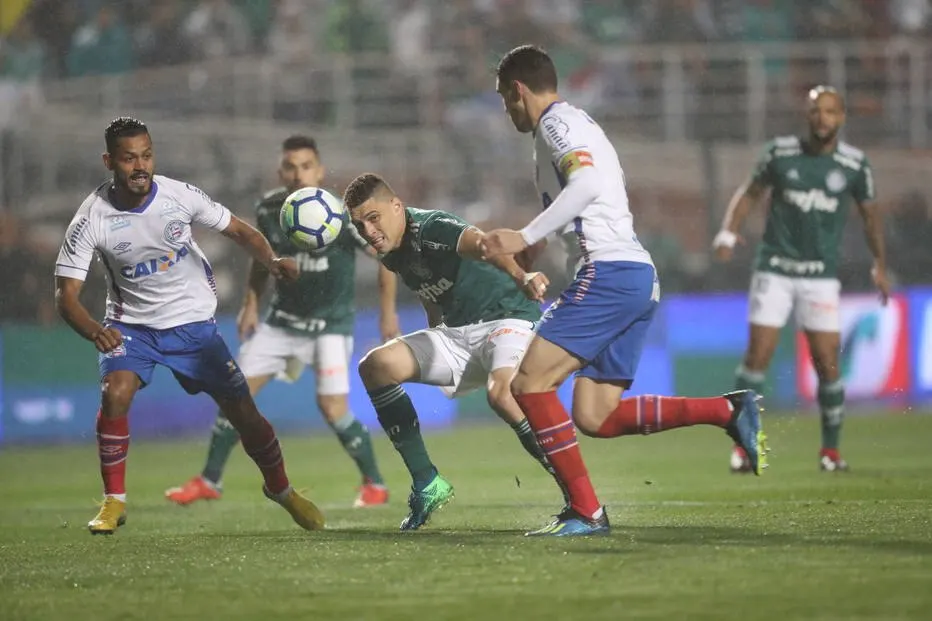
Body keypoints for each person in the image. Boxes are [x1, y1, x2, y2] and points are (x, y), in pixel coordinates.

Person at [481, 45, 766, 537]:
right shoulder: (574, 126)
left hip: (608, 273)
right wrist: (540, 245)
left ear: (517, 90)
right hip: (632, 274)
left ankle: (587, 511)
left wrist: (526, 236)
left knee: (526, 384)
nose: (507, 111)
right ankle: (727, 410)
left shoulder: (556, 123)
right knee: (596, 415)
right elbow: (590, 198)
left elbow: (588, 185)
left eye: (506, 100)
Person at [54, 117, 324, 535]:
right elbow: (65, 296)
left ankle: (282, 490)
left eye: (146, 155)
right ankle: (114, 501)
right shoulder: (92, 218)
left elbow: (239, 230)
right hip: (133, 328)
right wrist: (94, 329)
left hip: (193, 327)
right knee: (115, 394)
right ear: (109, 161)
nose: (140, 166)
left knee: (246, 416)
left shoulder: (179, 195)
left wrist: (271, 261)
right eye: (129, 158)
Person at [165, 135, 398, 508]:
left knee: (333, 408)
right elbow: (261, 260)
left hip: (329, 326)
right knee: (233, 397)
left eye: (306, 166)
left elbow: (385, 257)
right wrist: (251, 304)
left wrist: (388, 313)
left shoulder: (341, 213)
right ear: (280, 171)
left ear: (319, 171)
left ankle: (375, 483)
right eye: (290, 166)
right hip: (281, 323)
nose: (298, 174)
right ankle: (210, 479)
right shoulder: (270, 208)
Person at [342, 172, 569, 531]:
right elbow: (427, 286)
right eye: (359, 225)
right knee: (376, 365)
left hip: (505, 319)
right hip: (457, 336)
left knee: (503, 395)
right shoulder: (393, 253)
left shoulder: (433, 227)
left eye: (374, 218)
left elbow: (483, 245)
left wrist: (521, 276)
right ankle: (427, 482)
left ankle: (577, 495)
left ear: (397, 207)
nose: (368, 231)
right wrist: (435, 328)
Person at [713, 86, 889, 473]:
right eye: (815, 111)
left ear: (841, 117)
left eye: (829, 112)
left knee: (827, 362)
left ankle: (830, 451)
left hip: (819, 277)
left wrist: (879, 264)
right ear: (806, 115)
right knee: (757, 356)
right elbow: (750, 193)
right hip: (774, 268)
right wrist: (729, 231)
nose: (821, 118)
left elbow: (871, 216)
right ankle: (743, 447)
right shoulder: (780, 153)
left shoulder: (854, 165)